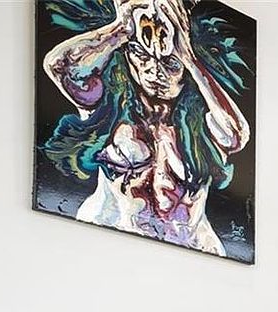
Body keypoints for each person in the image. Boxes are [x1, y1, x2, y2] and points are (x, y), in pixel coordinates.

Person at [42, 0, 250, 256]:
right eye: (140, 55)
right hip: (106, 240)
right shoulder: (108, 105)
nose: (154, 71)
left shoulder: (201, 123)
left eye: (170, 64)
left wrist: (188, 56)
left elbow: (235, 136)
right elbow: (60, 66)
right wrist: (122, 28)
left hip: (194, 250)